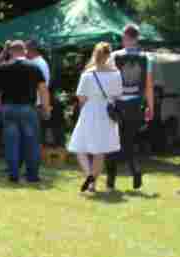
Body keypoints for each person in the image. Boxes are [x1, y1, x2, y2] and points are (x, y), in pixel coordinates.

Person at [0, 40, 50, 183]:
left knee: (11, 143)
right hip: (28, 108)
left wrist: (3, 53)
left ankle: (13, 174)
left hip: (9, 108)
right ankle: (32, 176)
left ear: (10, 52)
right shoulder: (34, 67)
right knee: (31, 143)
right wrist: (46, 108)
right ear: (25, 51)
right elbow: (43, 90)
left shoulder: (3, 67)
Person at [68, 43, 122, 193]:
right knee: (100, 150)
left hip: (90, 110)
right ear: (109, 55)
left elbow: (81, 98)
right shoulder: (116, 74)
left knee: (79, 147)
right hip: (107, 112)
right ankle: (92, 181)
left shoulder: (87, 75)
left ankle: (89, 176)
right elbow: (118, 94)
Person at [110, 24, 156, 190]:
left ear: (125, 38)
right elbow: (149, 85)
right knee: (129, 141)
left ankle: (111, 181)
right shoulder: (147, 58)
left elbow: (110, 82)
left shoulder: (114, 56)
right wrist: (151, 107)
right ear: (137, 38)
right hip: (135, 103)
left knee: (113, 142)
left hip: (117, 103)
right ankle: (135, 172)